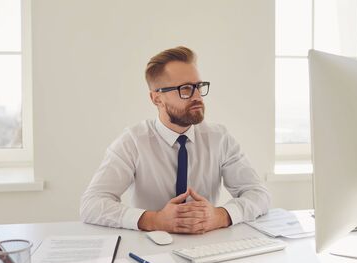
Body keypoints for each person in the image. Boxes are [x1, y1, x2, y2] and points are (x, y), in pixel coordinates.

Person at [80, 46, 270, 234]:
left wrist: (221, 216)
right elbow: (91, 204)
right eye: (185, 89)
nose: (197, 96)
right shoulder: (132, 141)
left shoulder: (219, 138)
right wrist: (155, 220)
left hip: (207, 248)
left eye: (199, 86)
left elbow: (258, 194)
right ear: (157, 99)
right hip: (149, 248)